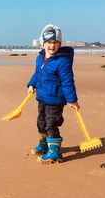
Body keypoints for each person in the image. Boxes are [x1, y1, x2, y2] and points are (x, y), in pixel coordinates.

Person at [27, 24, 80, 164]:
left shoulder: (62, 61)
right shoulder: (40, 58)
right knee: (41, 122)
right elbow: (37, 73)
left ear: (60, 43)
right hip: (42, 98)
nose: (52, 45)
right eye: (49, 42)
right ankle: (44, 144)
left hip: (55, 100)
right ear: (43, 43)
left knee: (51, 124)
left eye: (55, 42)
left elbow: (67, 81)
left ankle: (54, 152)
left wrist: (72, 100)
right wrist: (32, 84)